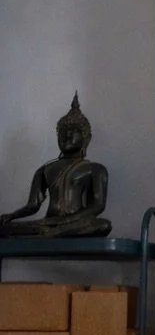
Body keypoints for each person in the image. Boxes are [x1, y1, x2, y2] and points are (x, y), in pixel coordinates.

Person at [0, 93, 111, 238]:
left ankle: (55, 232)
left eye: (73, 131)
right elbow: (33, 205)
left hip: (72, 222)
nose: (67, 135)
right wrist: (11, 216)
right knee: (3, 228)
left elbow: (97, 206)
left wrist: (66, 221)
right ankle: (51, 232)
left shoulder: (95, 169)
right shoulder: (45, 169)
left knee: (103, 225)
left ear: (86, 138)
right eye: (63, 132)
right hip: (48, 222)